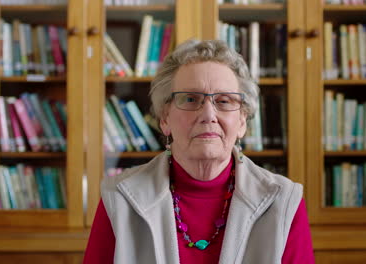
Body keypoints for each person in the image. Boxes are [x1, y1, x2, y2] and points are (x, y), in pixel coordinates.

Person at [83, 39, 314, 264]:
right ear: (165, 118)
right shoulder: (119, 198)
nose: (208, 115)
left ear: (242, 121)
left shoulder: (283, 201)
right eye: (191, 99)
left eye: (223, 101)